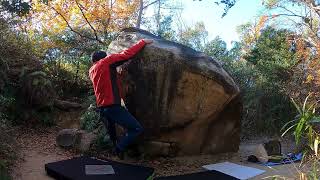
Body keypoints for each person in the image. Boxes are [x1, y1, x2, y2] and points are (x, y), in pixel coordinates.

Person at [89, 39, 153, 159]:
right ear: (103, 57)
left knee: (113, 135)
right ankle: (118, 150)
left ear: (93, 61)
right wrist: (143, 42)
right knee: (136, 128)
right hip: (112, 106)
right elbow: (127, 54)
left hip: (102, 108)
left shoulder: (92, 71)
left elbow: (110, 81)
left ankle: (117, 157)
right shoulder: (106, 62)